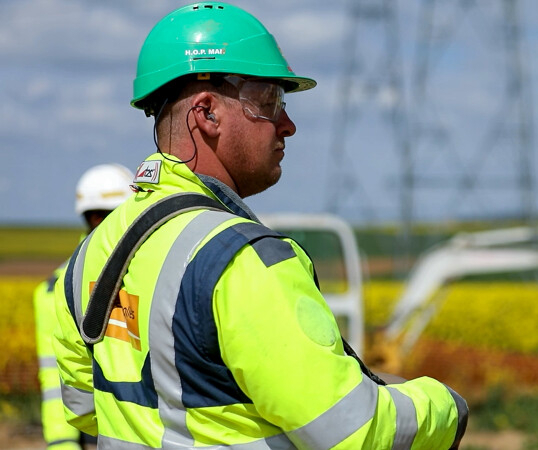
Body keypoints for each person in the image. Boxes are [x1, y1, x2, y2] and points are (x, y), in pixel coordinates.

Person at [52, 3, 468, 449]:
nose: (287, 125)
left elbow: (84, 408)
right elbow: (357, 431)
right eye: (269, 102)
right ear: (207, 113)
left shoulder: (92, 253)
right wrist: (446, 407)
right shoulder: (243, 261)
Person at [34, 163, 133, 449]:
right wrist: (62, 442)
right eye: (98, 216)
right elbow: (55, 377)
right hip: (95, 434)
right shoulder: (58, 288)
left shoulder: (151, 270)